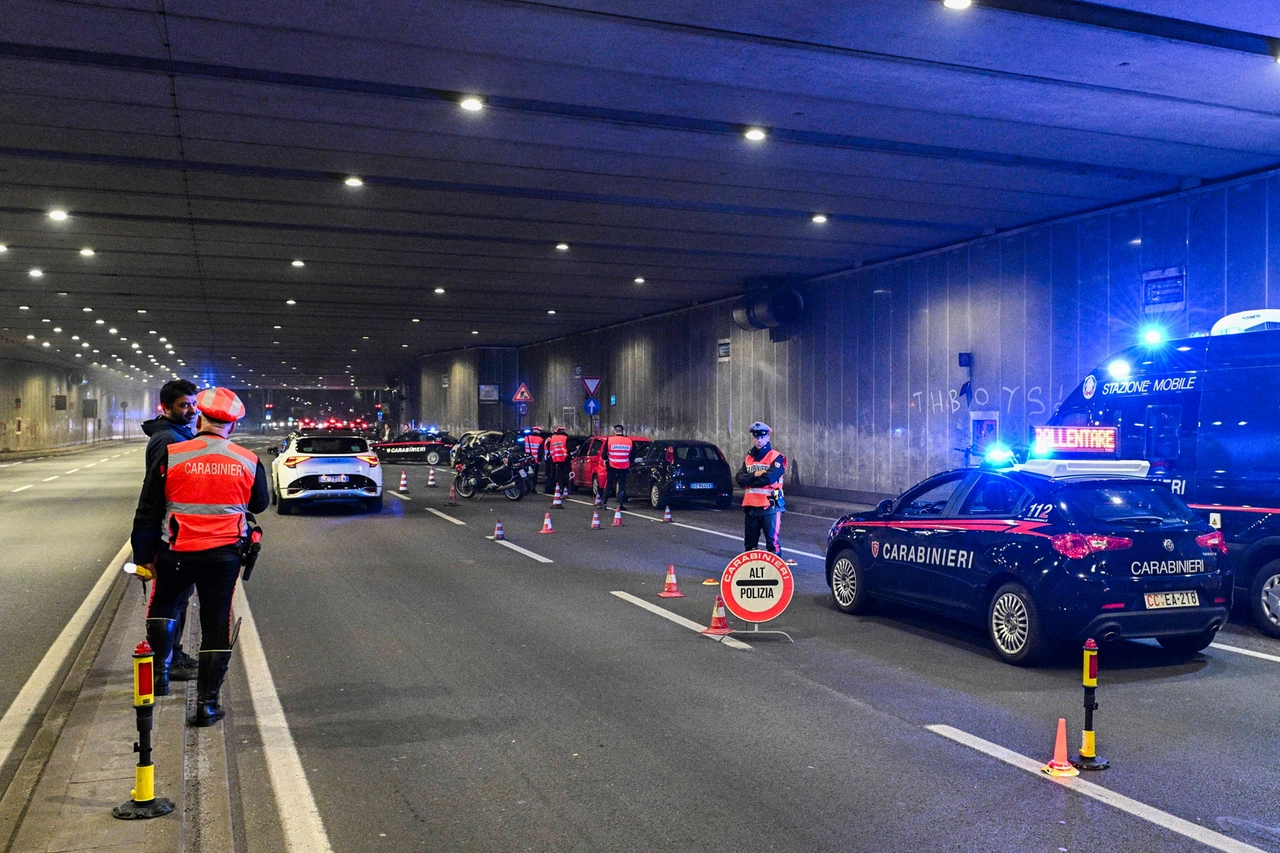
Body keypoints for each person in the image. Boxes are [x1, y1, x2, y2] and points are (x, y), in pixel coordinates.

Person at [131, 387, 269, 726]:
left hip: (176, 550)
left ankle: (159, 680)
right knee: (215, 624)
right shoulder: (248, 460)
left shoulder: (173, 454)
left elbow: (148, 509)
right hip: (223, 557)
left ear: (201, 417)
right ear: (233, 426)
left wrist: (143, 555)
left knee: (163, 606)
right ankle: (206, 706)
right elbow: (259, 504)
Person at [140, 379, 200, 682]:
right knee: (170, 602)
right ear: (167, 407)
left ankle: (173, 656)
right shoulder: (167, 440)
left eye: (194, 404)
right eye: (184, 405)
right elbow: (153, 496)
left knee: (178, 600)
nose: (191, 410)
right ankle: (164, 665)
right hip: (170, 535)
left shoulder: (179, 434)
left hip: (175, 533)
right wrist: (145, 549)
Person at [735, 421, 790, 561]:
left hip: (770, 506)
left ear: (768, 438)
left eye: (761, 437)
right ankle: (751, 573)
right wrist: (756, 475)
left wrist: (750, 478)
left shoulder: (777, 457)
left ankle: (776, 573)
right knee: (750, 544)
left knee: (772, 543)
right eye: (756, 437)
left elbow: (769, 478)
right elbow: (740, 479)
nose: (759, 440)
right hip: (751, 506)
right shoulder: (748, 458)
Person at [603, 424, 632, 509]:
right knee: (621, 486)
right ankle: (620, 504)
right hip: (624, 466)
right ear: (622, 431)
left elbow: (604, 455)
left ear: (615, 431)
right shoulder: (629, 441)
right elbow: (632, 454)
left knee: (609, 484)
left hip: (612, 466)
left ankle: (604, 503)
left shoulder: (610, 440)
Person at [545, 427, 570, 495]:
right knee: (565, 474)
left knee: (555, 474)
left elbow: (548, 447)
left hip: (554, 458)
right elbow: (569, 448)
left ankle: (556, 487)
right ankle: (564, 488)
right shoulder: (565, 438)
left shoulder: (552, 438)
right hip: (564, 459)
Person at [523, 426, 545, 492]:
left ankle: (526, 488)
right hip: (535, 460)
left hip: (526, 460)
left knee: (526, 474)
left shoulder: (526, 438)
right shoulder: (541, 439)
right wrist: (539, 460)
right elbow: (540, 451)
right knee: (534, 475)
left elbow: (522, 448)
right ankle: (533, 489)